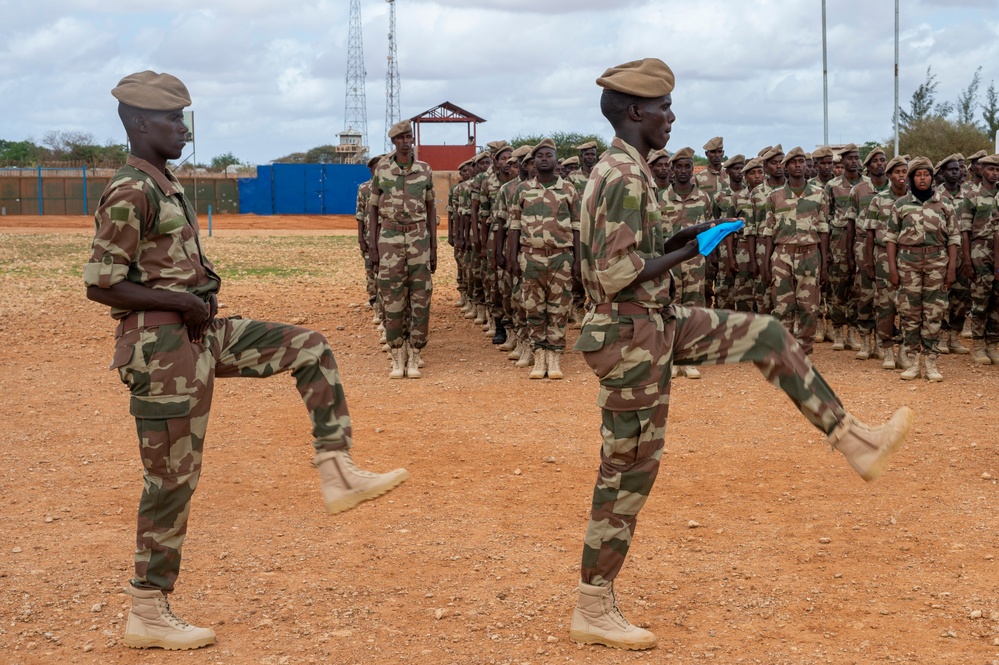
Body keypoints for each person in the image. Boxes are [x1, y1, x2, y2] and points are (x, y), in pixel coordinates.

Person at [570, 57, 912, 651]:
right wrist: (688, 253)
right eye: (663, 109)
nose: (671, 118)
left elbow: (631, 252)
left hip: (655, 323)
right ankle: (593, 605)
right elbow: (613, 274)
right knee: (628, 472)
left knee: (768, 335)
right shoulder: (621, 176)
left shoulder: (629, 168)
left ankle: (854, 438)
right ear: (635, 112)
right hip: (630, 338)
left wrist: (680, 239)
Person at [84, 71, 409, 651]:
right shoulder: (131, 189)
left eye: (184, 117)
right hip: (161, 351)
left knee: (309, 345)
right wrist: (180, 301)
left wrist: (192, 303)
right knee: (171, 481)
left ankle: (336, 468)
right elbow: (102, 283)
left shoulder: (164, 183)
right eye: (172, 119)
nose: (183, 129)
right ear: (138, 124)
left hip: (199, 334)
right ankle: (147, 608)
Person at [369, 120, 437, 379]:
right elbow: (373, 208)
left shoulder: (424, 170)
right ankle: (397, 354)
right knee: (392, 297)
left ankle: (415, 354)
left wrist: (433, 246)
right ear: (394, 142)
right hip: (389, 237)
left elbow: (431, 208)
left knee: (421, 297)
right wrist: (374, 246)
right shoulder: (383, 170)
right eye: (401, 138)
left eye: (409, 137)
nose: (406, 141)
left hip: (419, 237)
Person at [507, 139, 581, 379]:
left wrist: (578, 260)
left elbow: (578, 226)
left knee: (559, 309)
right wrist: (512, 257)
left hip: (561, 258)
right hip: (531, 257)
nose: (544, 159)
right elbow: (514, 225)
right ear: (533, 163)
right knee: (533, 308)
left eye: (549, 155)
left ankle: (555, 356)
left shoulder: (568, 189)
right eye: (540, 156)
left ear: (556, 160)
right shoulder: (523, 189)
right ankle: (539, 354)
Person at [886, 157, 961, 381]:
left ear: (932, 177)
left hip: (937, 262)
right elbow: (890, 238)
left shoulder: (945, 204)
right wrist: (892, 268)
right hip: (908, 262)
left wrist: (951, 269)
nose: (922, 178)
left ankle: (931, 361)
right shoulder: (900, 205)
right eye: (918, 175)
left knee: (934, 311)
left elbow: (954, 238)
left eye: (926, 174)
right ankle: (912, 361)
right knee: (909, 313)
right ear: (911, 178)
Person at [760, 147, 829, 354]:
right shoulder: (775, 196)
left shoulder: (818, 195)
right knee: (782, 306)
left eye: (802, 161)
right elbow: (768, 232)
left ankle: (804, 349)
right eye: (793, 162)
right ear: (786, 166)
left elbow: (824, 230)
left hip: (810, 254)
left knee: (809, 307)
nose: (798, 165)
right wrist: (766, 264)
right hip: (782, 255)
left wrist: (824, 263)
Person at [863, 155, 910, 370]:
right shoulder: (878, 200)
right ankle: (887, 349)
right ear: (889, 175)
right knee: (885, 305)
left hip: (910, 256)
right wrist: (869, 263)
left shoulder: (914, 200)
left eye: (904, 171)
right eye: (897, 172)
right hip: (882, 256)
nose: (902, 176)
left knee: (910, 306)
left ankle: (905, 351)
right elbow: (870, 235)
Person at [845, 147, 890, 360]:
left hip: (887, 247)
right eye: (876, 161)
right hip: (863, 245)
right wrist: (851, 254)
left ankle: (882, 341)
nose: (880, 164)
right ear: (869, 166)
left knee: (886, 297)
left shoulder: (896, 189)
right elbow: (851, 225)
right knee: (865, 295)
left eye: (883, 160)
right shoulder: (859, 190)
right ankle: (865, 340)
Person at [960, 153, 999, 364]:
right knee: (980, 299)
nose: (995, 173)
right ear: (981, 170)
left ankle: (993, 343)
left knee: (997, 300)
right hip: (979, 251)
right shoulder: (972, 195)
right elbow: (964, 230)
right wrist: (967, 259)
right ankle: (978, 344)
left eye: (998, 170)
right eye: (991, 169)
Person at [825, 144, 864, 351]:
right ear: (843, 161)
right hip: (838, 239)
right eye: (849, 158)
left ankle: (853, 332)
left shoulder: (867, 185)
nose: (854, 161)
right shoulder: (832, 185)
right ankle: (838, 330)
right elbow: (826, 215)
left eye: (857, 158)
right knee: (839, 287)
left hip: (861, 239)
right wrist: (828, 249)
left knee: (858, 288)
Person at [935, 154, 972, 355]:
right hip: (941, 253)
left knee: (962, 295)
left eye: (958, 169)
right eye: (951, 169)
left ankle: (953, 337)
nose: (955, 172)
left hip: (964, 253)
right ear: (942, 173)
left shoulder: (968, 194)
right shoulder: (935, 195)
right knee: (941, 295)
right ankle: (941, 334)